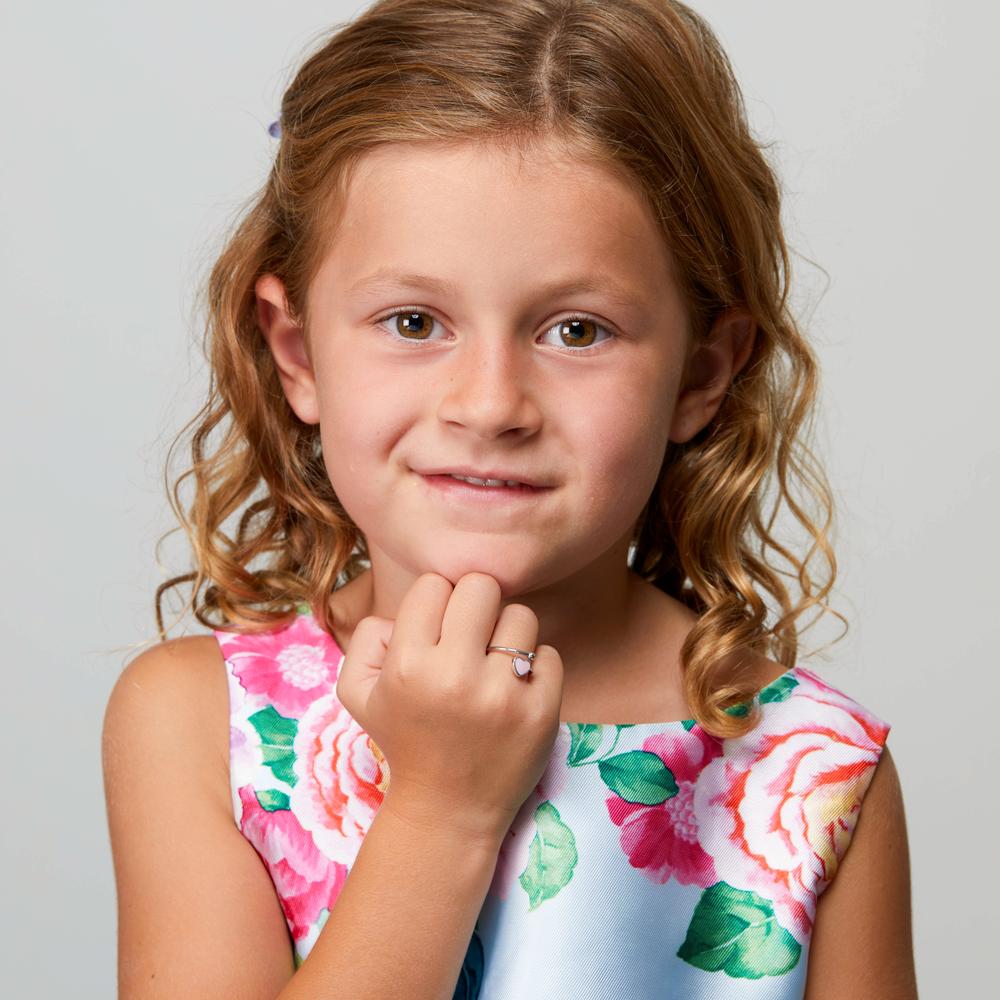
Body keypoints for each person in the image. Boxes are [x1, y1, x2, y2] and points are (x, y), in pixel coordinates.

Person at [101, 1, 917, 997]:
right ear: (298, 351)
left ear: (702, 373)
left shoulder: (815, 766)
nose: (489, 405)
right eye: (414, 321)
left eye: (577, 331)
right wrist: (442, 811)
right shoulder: (199, 722)